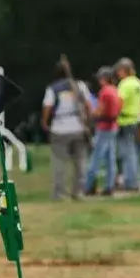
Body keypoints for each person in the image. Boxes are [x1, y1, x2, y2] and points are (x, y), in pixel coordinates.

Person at [42, 63, 93, 201]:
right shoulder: (80, 86)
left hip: (59, 128)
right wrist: (87, 122)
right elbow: (88, 105)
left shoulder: (53, 88)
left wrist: (45, 123)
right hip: (78, 127)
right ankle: (78, 192)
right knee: (80, 162)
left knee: (59, 163)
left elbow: (47, 107)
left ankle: (59, 194)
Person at [84, 66, 122, 197]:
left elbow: (99, 111)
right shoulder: (115, 90)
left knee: (96, 157)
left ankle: (88, 186)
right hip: (114, 126)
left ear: (104, 79)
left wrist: (90, 113)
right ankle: (109, 186)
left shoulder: (104, 92)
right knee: (110, 158)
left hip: (104, 126)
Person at [113, 57, 140, 193]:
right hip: (135, 120)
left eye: (119, 71)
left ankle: (131, 182)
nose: (117, 74)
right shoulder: (139, 84)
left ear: (123, 70)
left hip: (124, 120)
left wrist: (113, 114)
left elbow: (119, 102)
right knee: (131, 151)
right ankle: (134, 179)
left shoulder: (125, 84)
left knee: (126, 153)